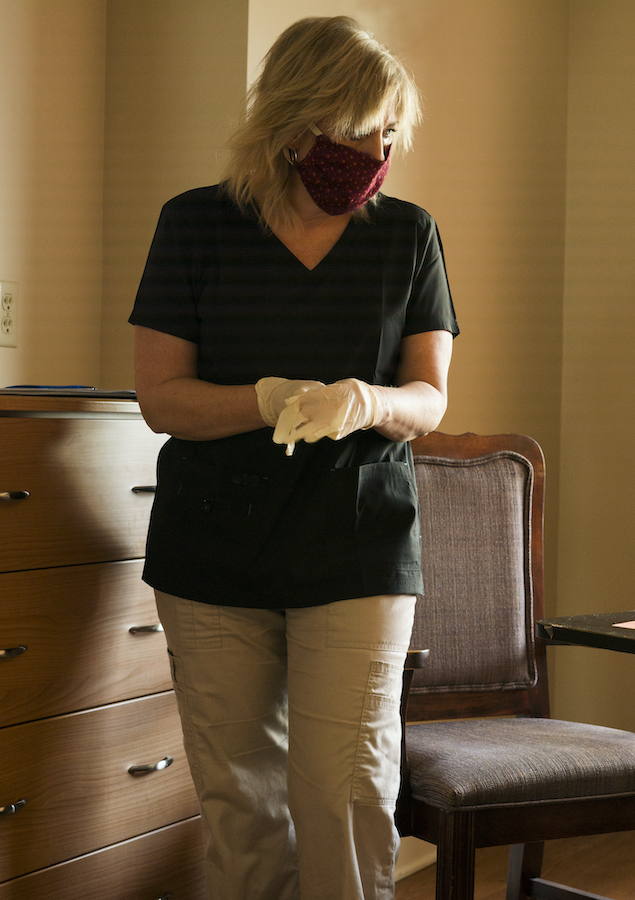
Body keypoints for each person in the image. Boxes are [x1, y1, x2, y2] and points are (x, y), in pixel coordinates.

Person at [129, 17, 456, 900]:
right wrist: (264, 400)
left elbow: (429, 399)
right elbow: (162, 396)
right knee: (243, 799)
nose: (378, 150)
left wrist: (368, 401)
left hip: (357, 544)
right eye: (361, 129)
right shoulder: (194, 226)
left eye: (391, 132)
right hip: (213, 549)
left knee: (346, 790)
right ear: (296, 120)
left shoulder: (407, 237)